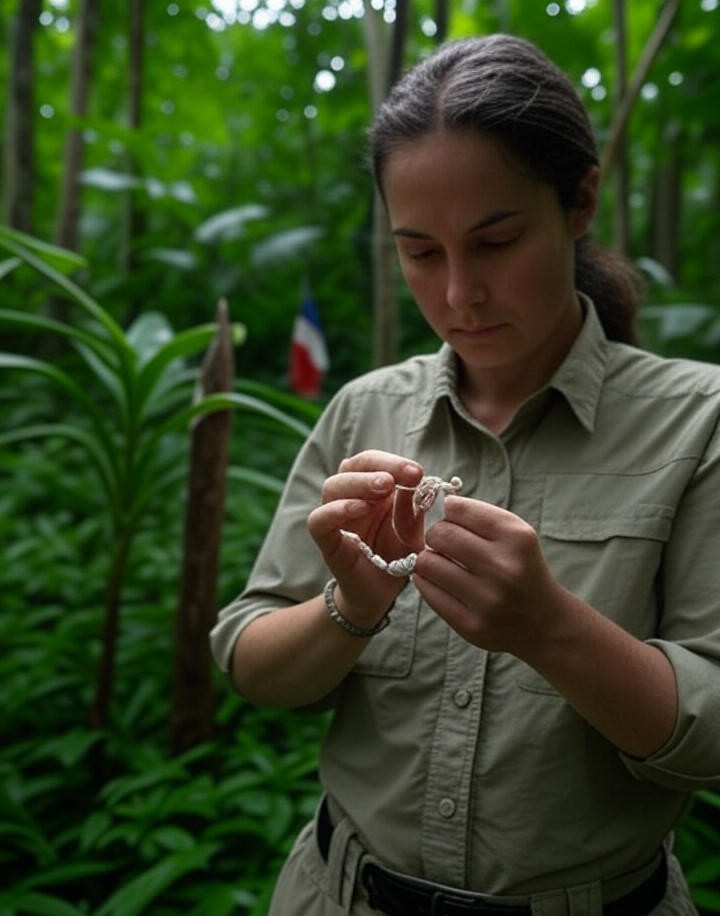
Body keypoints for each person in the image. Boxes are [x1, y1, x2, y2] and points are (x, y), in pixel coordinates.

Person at [210, 33, 720, 916]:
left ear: (581, 201)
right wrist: (351, 606)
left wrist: (550, 627)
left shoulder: (699, 421)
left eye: (496, 242)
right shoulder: (364, 412)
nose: (457, 296)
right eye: (419, 251)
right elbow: (249, 659)